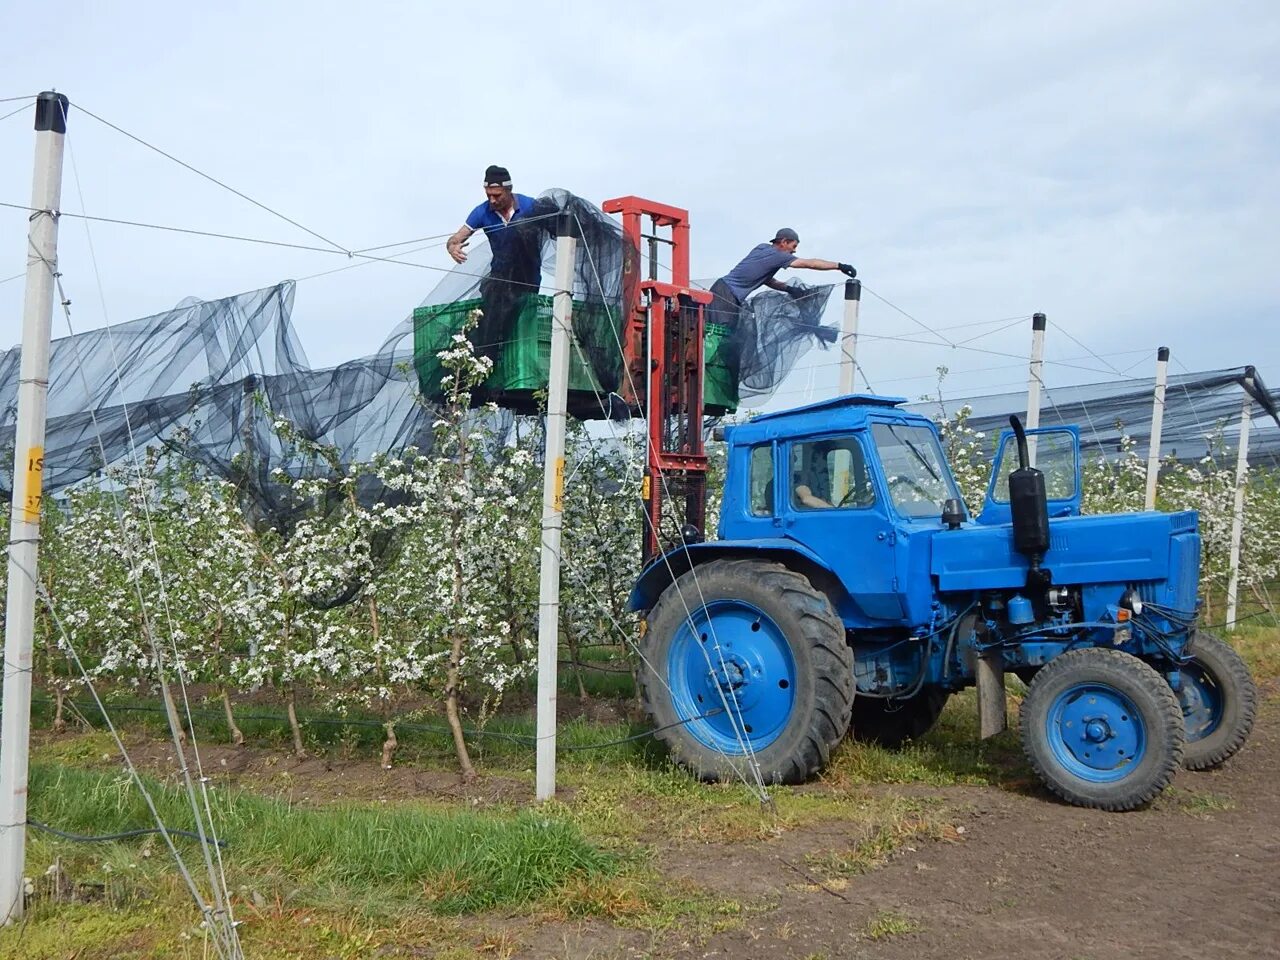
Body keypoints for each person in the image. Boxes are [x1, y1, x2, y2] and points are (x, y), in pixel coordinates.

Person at [445, 166, 543, 365]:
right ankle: (488, 364)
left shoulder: (530, 206)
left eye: (496, 195)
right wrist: (452, 246)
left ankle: (516, 363)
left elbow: (555, 226)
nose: (492, 200)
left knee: (520, 324)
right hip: (500, 278)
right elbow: (457, 237)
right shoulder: (482, 212)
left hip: (528, 278)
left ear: (508, 190)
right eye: (488, 195)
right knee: (492, 320)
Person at [706, 228, 856, 330]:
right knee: (719, 333)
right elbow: (808, 263)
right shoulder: (778, 256)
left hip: (723, 290)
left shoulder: (762, 248)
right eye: (793, 246)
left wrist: (788, 288)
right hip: (726, 295)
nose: (794, 250)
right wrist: (839, 266)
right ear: (784, 242)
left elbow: (766, 280)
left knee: (719, 331)